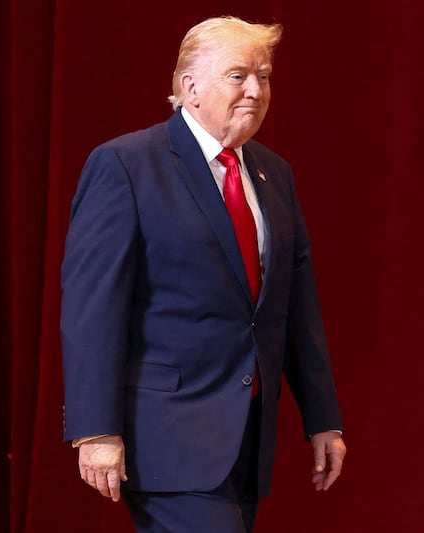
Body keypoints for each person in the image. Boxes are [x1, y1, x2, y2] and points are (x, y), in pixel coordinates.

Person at [60, 15, 346, 532]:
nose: (256, 90)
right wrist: (95, 430)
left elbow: (295, 307)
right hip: (166, 436)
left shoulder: (272, 173)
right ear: (190, 86)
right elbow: (92, 310)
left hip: (247, 435)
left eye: (264, 77)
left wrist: (322, 418)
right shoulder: (126, 165)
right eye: (238, 76)